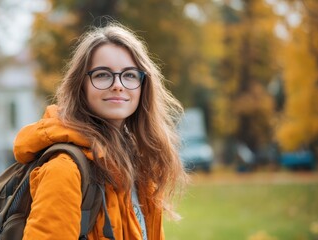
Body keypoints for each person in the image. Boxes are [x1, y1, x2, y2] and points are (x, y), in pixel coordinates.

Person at [13, 22, 188, 240]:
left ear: (144, 86)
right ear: (81, 86)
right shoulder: (65, 170)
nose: (118, 85)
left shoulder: (138, 165)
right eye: (103, 74)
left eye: (130, 75)